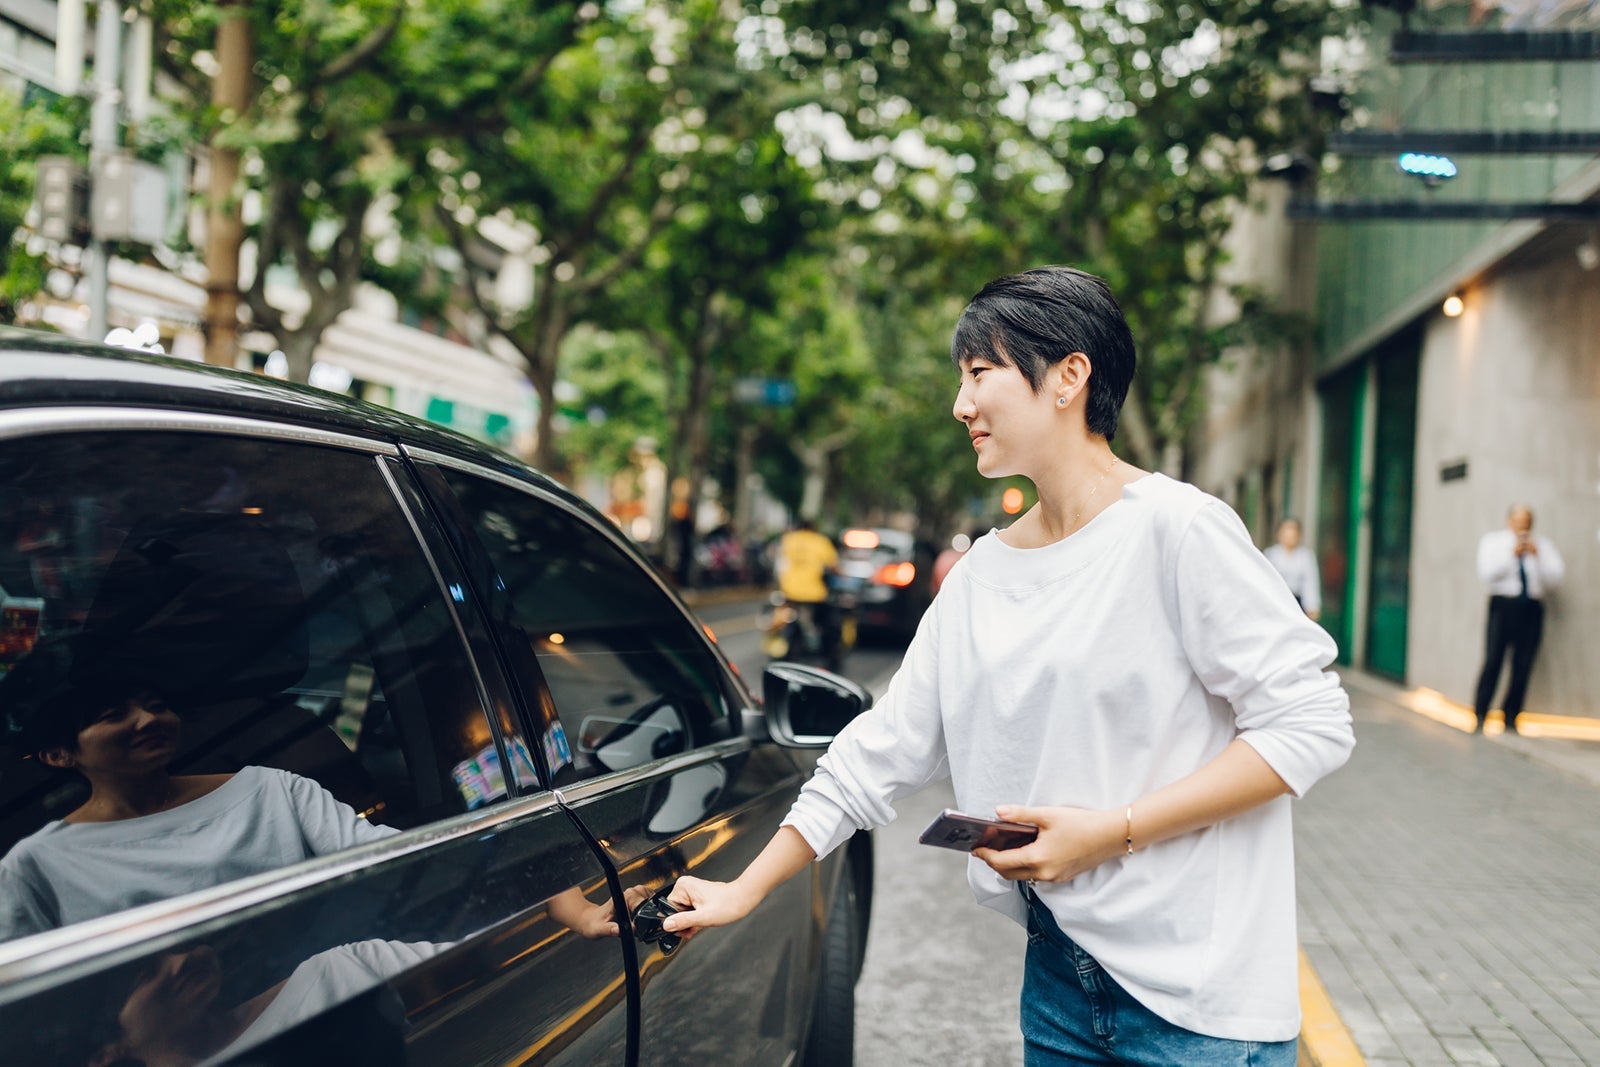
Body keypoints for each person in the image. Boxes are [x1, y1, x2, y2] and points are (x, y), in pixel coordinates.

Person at [662, 267, 1354, 1065]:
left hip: (1199, 1000)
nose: (960, 405)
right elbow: (875, 752)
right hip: (1060, 983)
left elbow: (1310, 722)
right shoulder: (983, 575)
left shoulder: (1179, 531)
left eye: (978, 373)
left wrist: (1112, 833)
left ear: (1069, 375)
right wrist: (744, 887)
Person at [1471, 505, 1564, 734]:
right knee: (1493, 659)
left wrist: (1537, 556)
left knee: (1523, 664)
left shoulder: (1543, 546)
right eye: (1519, 520)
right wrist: (1511, 555)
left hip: (1531, 608)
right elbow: (1486, 574)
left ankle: (1511, 717)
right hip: (1503, 605)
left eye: (1527, 521)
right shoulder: (1494, 543)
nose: (1523, 525)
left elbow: (1555, 578)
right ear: (1509, 520)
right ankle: (1480, 714)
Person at [773, 518, 840, 658]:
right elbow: (834, 567)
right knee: (826, 624)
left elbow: (778, 565)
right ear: (813, 528)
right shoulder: (820, 541)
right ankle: (827, 653)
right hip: (814, 594)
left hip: (789, 592)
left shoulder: (788, 540)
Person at [1263, 517, 1322, 619]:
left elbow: (1310, 582)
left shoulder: (1305, 556)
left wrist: (1312, 606)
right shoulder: (1271, 554)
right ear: (1279, 534)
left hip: (1297, 602)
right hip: (1276, 601)